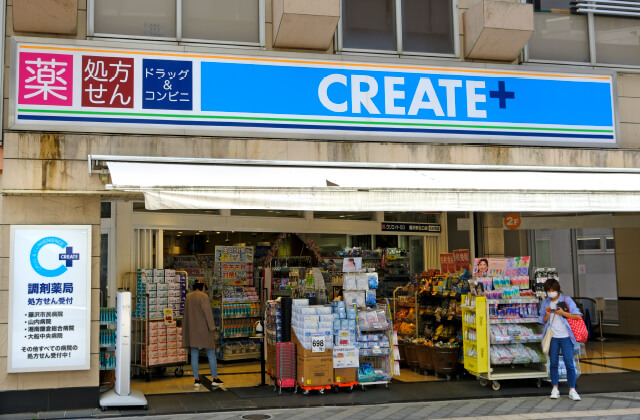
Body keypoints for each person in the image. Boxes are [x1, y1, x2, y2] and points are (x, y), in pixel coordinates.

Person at [539, 278, 582, 401]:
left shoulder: (566, 300)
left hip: (566, 336)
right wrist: (547, 314)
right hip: (552, 337)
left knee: (569, 363)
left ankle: (572, 389)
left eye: (552, 290)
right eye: (548, 290)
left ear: (557, 290)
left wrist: (562, 313)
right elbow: (542, 320)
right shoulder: (546, 302)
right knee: (553, 363)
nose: (550, 292)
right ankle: (555, 388)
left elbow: (577, 316)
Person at [182, 281, 223, 388]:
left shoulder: (188, 297)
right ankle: (215, 378)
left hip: (192, 330)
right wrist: (212, 328)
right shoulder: (203, 297)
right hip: (204, 329)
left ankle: (196, 379)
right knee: (211, 353)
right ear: (202, 287)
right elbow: (208, 313)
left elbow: (185, 314)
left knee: (194, 355)